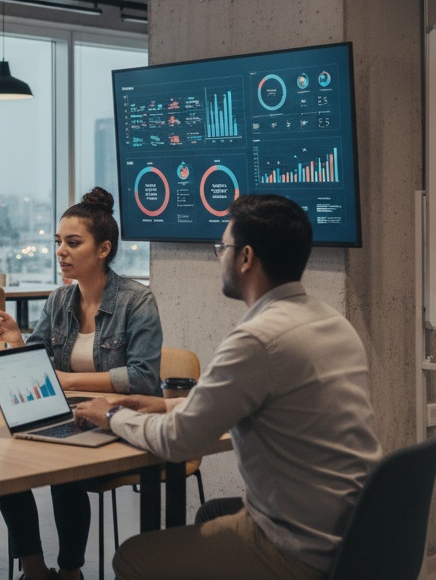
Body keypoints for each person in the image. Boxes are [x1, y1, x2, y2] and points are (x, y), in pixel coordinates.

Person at [75, 194, 382, 580]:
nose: (219, 256)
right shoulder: (332, 322)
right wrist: (162, 405)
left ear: (246, 258)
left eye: (223, 247)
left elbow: (177, 442)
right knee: (211, 514)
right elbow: (257, 400)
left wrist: (112, 415)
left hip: (297, 547)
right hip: (356, 530)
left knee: (134, 556)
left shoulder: (258, 339)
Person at [0, 187, 163, 580]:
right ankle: (33, 568)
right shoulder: (59, 299)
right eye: (58, 241)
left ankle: (70, 571)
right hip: (70, 415)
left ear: (103, 249)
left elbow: (144, 379)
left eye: (73, 243)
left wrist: (68, 379)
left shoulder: (137, 301)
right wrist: (15, 341)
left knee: (65, 469)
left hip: (119, 421)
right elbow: (36, 364)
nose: (61, 251)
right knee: (3, 464)